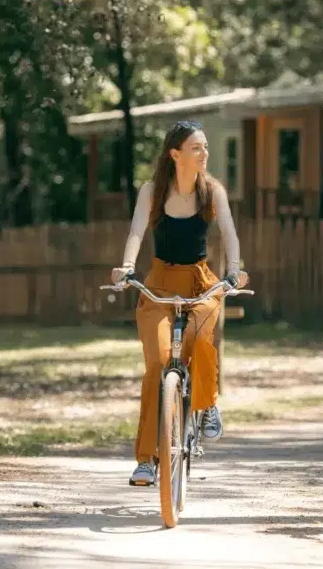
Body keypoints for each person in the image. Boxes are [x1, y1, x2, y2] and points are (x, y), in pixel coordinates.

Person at [112, 119, 249, 487]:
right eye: (196, 148)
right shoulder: (152, 191)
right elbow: (137, 232)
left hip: (200, 281)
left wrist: (234, 271)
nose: (205, 154)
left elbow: (230, 234)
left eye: (205, 147)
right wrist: (126, 268)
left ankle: (205, 406)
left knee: (202, 340)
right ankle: (146, 460)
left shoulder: (211, 190)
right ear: (175, 154)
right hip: (159, 282)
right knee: (158, 364)